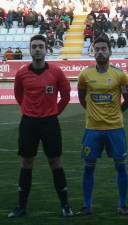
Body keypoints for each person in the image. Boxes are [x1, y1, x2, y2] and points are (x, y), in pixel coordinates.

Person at [9, 34, 73, 218]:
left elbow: (66, 95)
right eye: (34, 46)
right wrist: (29, 111)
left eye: (40, 46)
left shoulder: (56, 72)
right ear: (30, 49)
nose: (37, 49)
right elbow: (19, 95)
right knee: (26, 162)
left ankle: (65, 206)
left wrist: (53, 112)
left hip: (50, 123)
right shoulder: (21, 73)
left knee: (55, 162)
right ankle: (21, 207)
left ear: (46, 49)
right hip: (28, 123)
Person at [77, 35, 128, 216]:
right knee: (88, 167)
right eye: (97, 49)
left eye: (103, 49)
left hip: (115, 128)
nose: (100, 52)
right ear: (93, 52)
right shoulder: (85, 75)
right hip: (92, 129)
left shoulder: (120, 75)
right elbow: (82, 98)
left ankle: (122, 205)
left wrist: (115, 114)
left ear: (110, 51)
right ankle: (87, 205)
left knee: (121, 166)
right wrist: (93, 114)